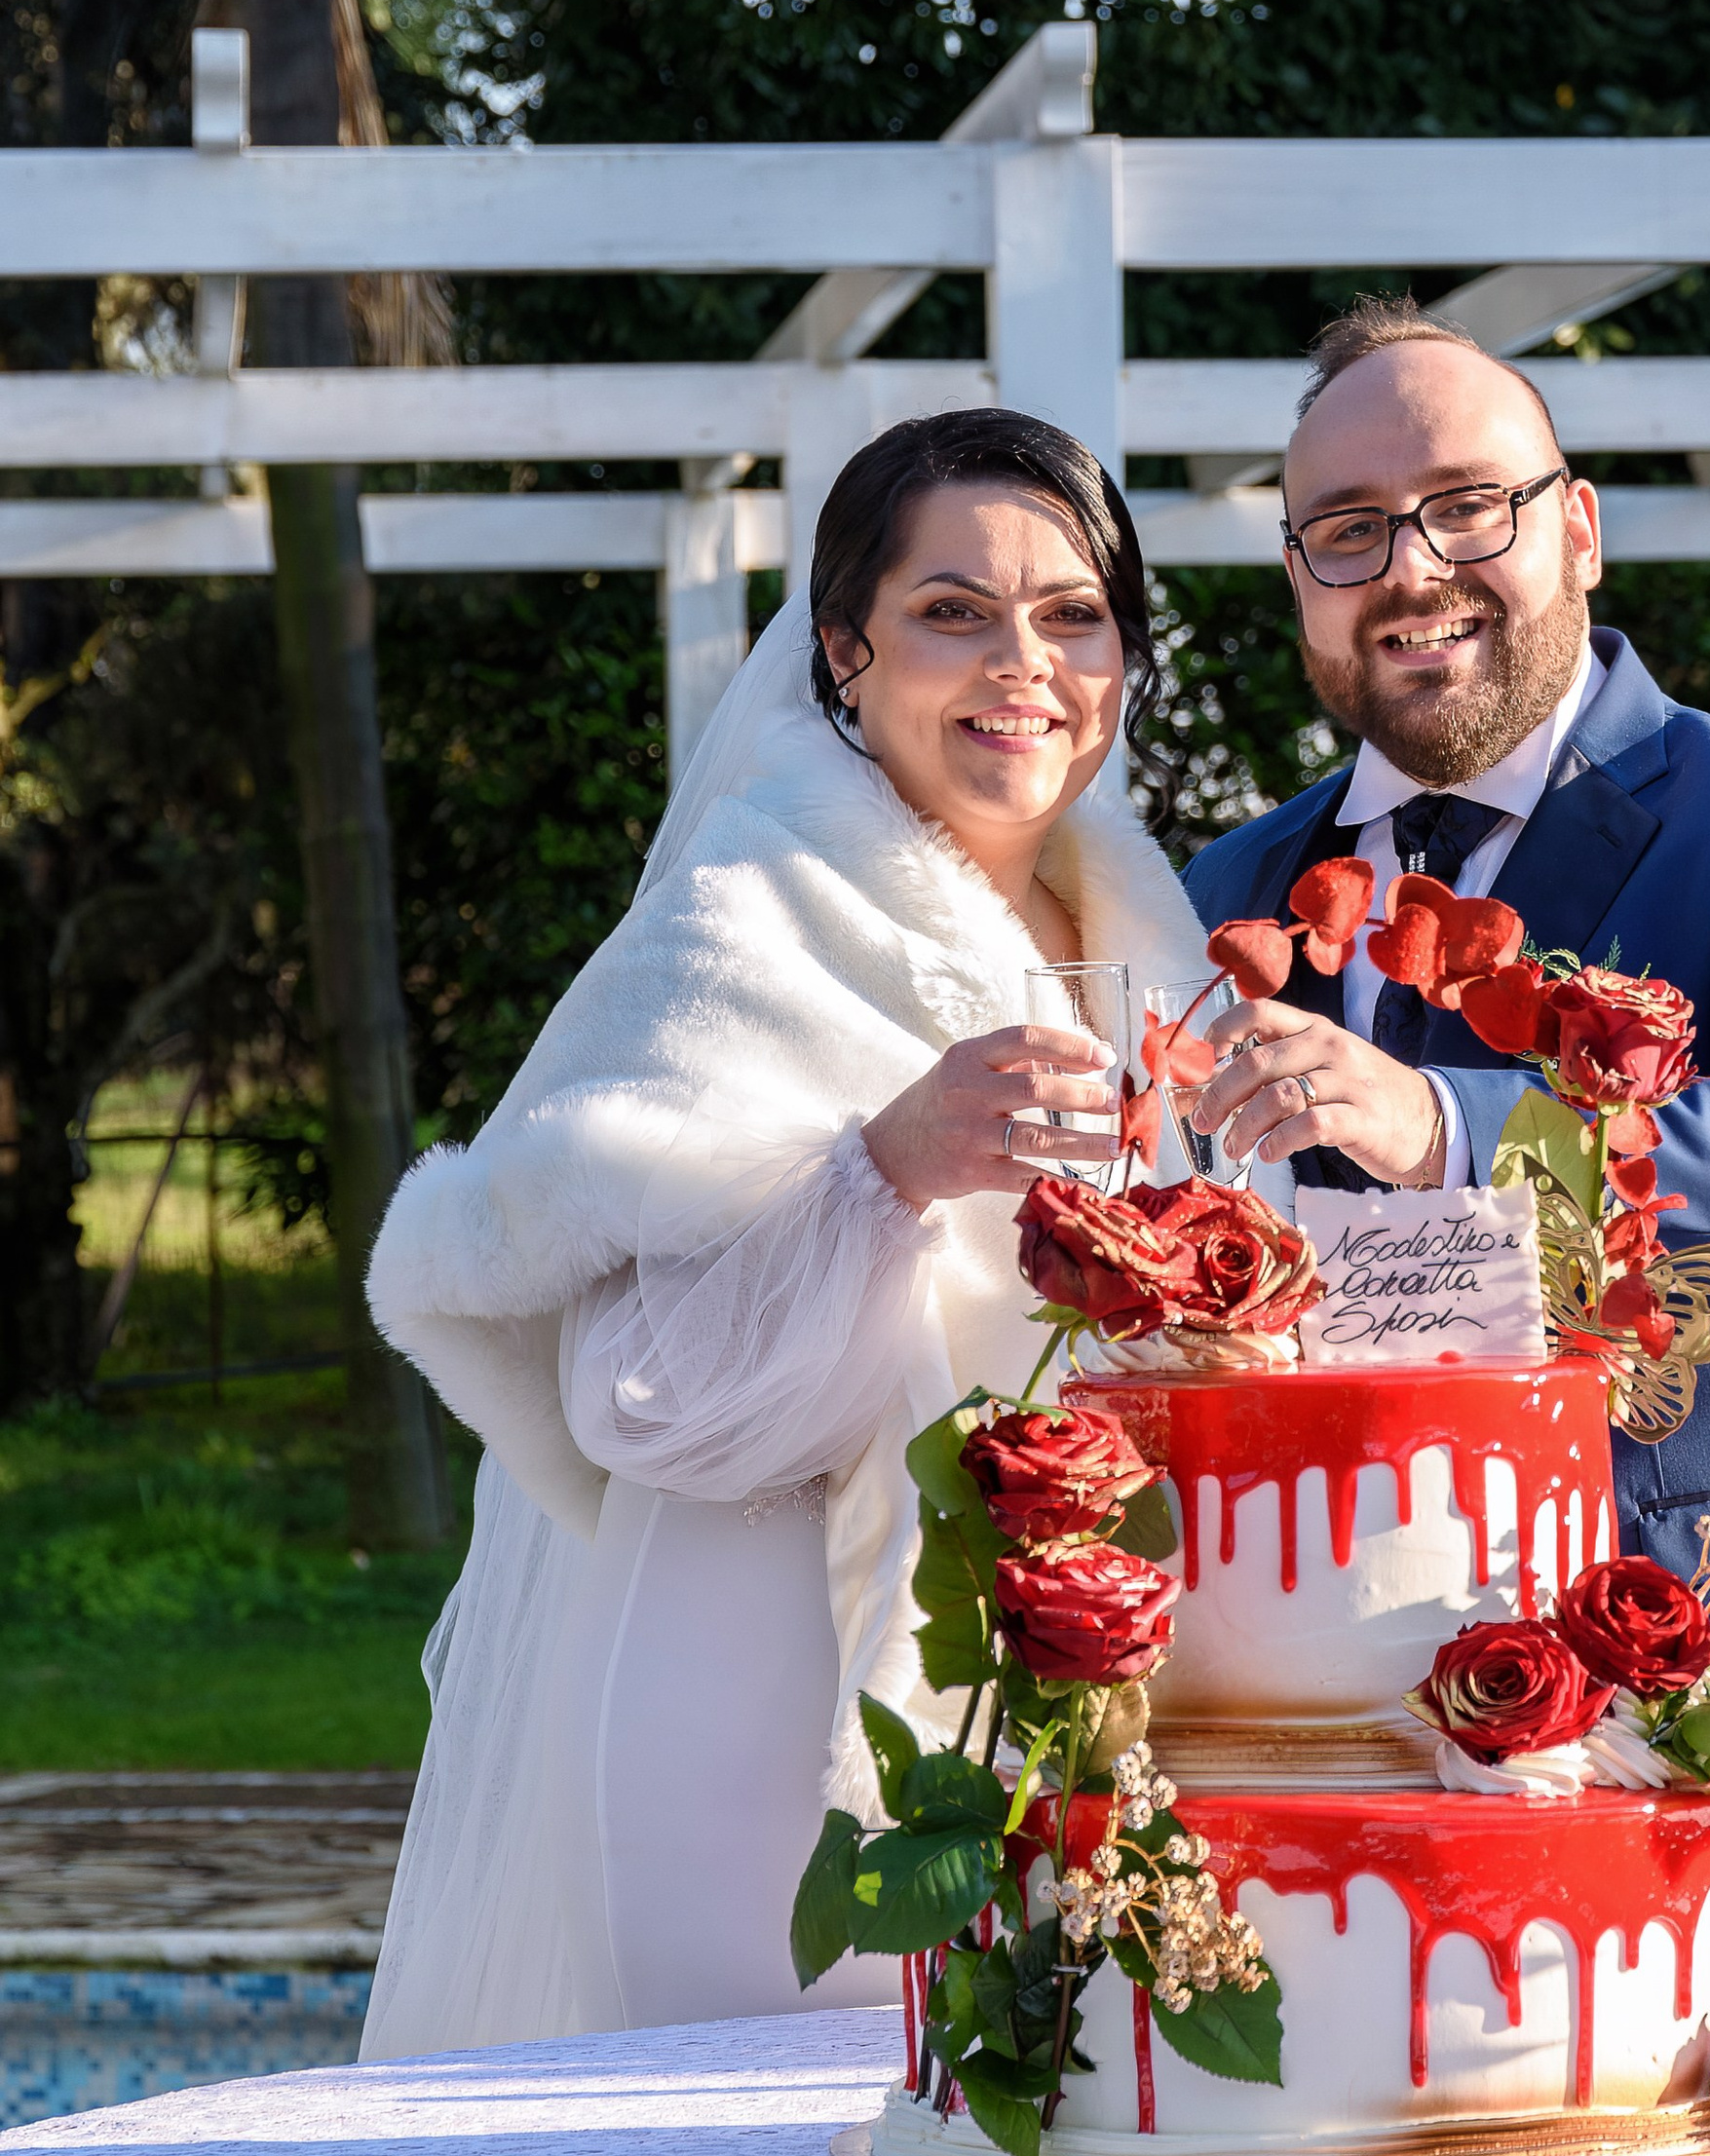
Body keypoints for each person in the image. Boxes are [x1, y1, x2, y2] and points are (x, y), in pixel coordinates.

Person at [1182, 298, 1710, 1966]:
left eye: (1465, 507)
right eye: (1348, 531)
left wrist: (1445, 1119)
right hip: (1349, 1750)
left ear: (1579, 531)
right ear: (1300, 583)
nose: (1411, 565)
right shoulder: (1228, 891)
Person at [360, 409, 1210, 2057]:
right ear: (844, 651)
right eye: (952, 609)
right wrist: (881, 1171)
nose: (1022, 661)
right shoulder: (741, 921)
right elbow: (641, 1406)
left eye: (1073, 614)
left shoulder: (1151, 943)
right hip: (769, 1710)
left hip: (1092, 1701)